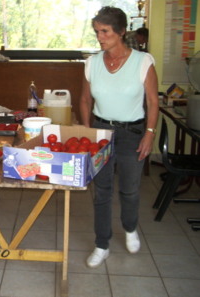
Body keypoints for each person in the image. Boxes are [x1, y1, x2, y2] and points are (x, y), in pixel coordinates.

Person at [79, 7, 159, 268]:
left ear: (121, 32)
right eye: (97, 32)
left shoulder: (143, 61)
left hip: (132, 133)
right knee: (101, 191)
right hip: (102, 132)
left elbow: (152, 101)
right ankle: (102, 244)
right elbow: (84, 99)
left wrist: (149, 134)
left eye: (105, 32)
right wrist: (87, 131)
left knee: (130, 189)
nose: (100, 37)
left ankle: (130, 226)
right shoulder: (92, 63)